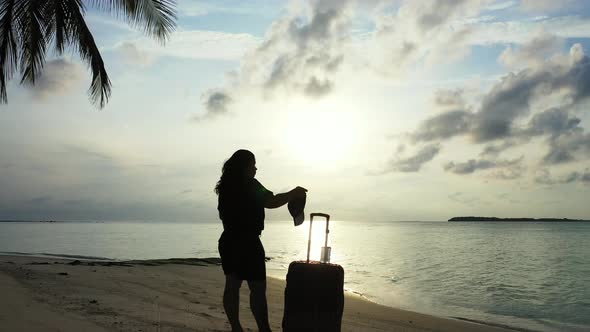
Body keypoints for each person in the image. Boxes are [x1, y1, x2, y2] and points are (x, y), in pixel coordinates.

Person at [215, 149, 307, 332]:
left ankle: (236, 328)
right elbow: (270, 201)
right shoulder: (250, 184)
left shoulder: (224, 187)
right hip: (248, 243)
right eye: (253, 164)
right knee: (257, 289)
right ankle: (264, 329)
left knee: (232, 286)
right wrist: (293, 193)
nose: (256, 168)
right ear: (245, 166)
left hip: (228, 240)